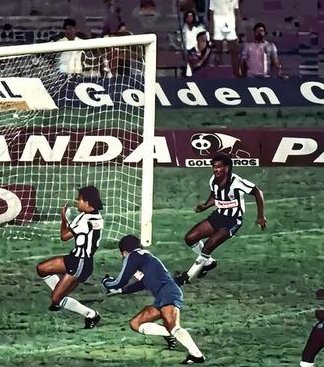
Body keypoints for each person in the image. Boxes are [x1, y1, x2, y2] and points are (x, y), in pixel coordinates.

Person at [103, 235, 206, 364]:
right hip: (162, 297)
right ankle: (169, 334)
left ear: (124, 251)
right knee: (136, 324)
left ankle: (196, 355)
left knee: (174, 326)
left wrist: (107, 282)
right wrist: (122, 291)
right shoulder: (144, 257)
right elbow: (142, 283)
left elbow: (120, 281)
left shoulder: (133, 256)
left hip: (169, 294)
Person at [174, 153, 267, 286]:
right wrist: (205, 206)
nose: (215, 169)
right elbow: (215, 196)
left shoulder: (236, 182)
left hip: (233, 221)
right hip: (218, 216)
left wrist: (261, 216)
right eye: (214, 167)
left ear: (227, 168)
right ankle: (209, 263)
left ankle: (187, 277)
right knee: (190, 238)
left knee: (207, 247)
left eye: (219, 167)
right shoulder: (213, 180)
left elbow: (257, 192)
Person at [35, 186, 104, 329]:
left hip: (81, 264)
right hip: (74, 258)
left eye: (79, 199)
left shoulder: (85, 219)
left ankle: (91, 314)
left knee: (56, 300)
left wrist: (63, 218)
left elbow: (64, 236)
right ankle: (60, 292)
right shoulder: (93, 216)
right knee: (42, 269)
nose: (77, 202)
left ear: (87, 202)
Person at [207, 0, 241, 73]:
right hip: (218, 26)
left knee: (233, 51)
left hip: (231, 25)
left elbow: (237, 13)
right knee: (218, 51)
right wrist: (211, 30)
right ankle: (219, 72)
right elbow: (211, 15)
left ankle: (236, 73)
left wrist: (238, 28)